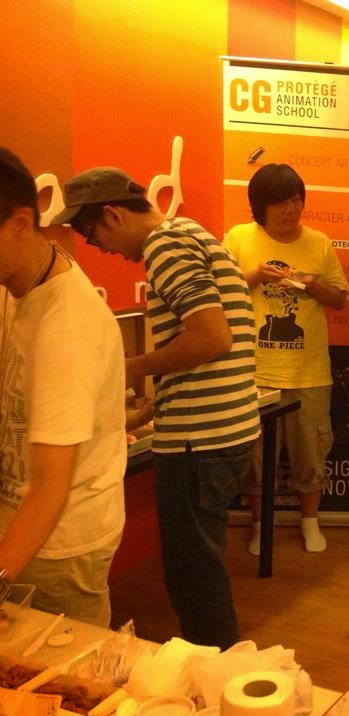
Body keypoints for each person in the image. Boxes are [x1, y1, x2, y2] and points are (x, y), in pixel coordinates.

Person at [52, 167, 259, 649]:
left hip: (198, 442)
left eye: (92, 235)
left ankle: (214, 672)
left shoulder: (163, 245)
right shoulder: (192, 234)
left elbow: (212, 337)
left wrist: (132, 367)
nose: (98, 249)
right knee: (201, 566)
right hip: (225, 429)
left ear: (112, 214)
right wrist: (150, 411)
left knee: (192, 577)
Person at [0, 149, 126, 626]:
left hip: (58, 549)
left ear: (20, 222)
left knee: (66, 670)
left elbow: (50, 488)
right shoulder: (18, 282)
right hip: (22, 531)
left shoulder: (66, 327)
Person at [224, 164, 348, 556]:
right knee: (255, 458)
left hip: (309, 372)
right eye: (279, 203)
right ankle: (261, 526)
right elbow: (220, 290)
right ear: (260, 207)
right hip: (254, 371)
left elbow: (340, 299)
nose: (290, 209)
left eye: (296, 200)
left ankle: (310, 523)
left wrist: (312, 284)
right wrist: (257, 276)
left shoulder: (319, 242)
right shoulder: (239, 238)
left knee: (311, 454)